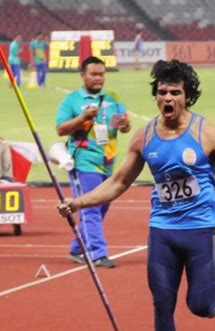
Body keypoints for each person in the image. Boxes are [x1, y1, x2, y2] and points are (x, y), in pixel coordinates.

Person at [57, 59, 215, 331]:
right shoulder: (144, 138)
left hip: (199, 229)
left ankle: (211, 293)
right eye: (162, 93)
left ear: (187, 96)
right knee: (161, 306)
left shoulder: (206, 133)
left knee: (201, 306)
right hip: (162, 230)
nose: (167, 98)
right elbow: (119, 182)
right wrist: (77, 202)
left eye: (175, 93)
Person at [55, 56, 131, 268]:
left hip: (107, 161)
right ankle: (97, 253)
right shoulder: (71, 100)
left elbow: (123, 127)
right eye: (94, 74)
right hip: (84, 161)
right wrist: (82, 118)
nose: (98, 78)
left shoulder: (113, 97)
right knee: (91, 208)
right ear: (83, 75)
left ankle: (77, 248)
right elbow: (60, 129)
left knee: (102, 205)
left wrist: (125, 124)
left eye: (101, 74)